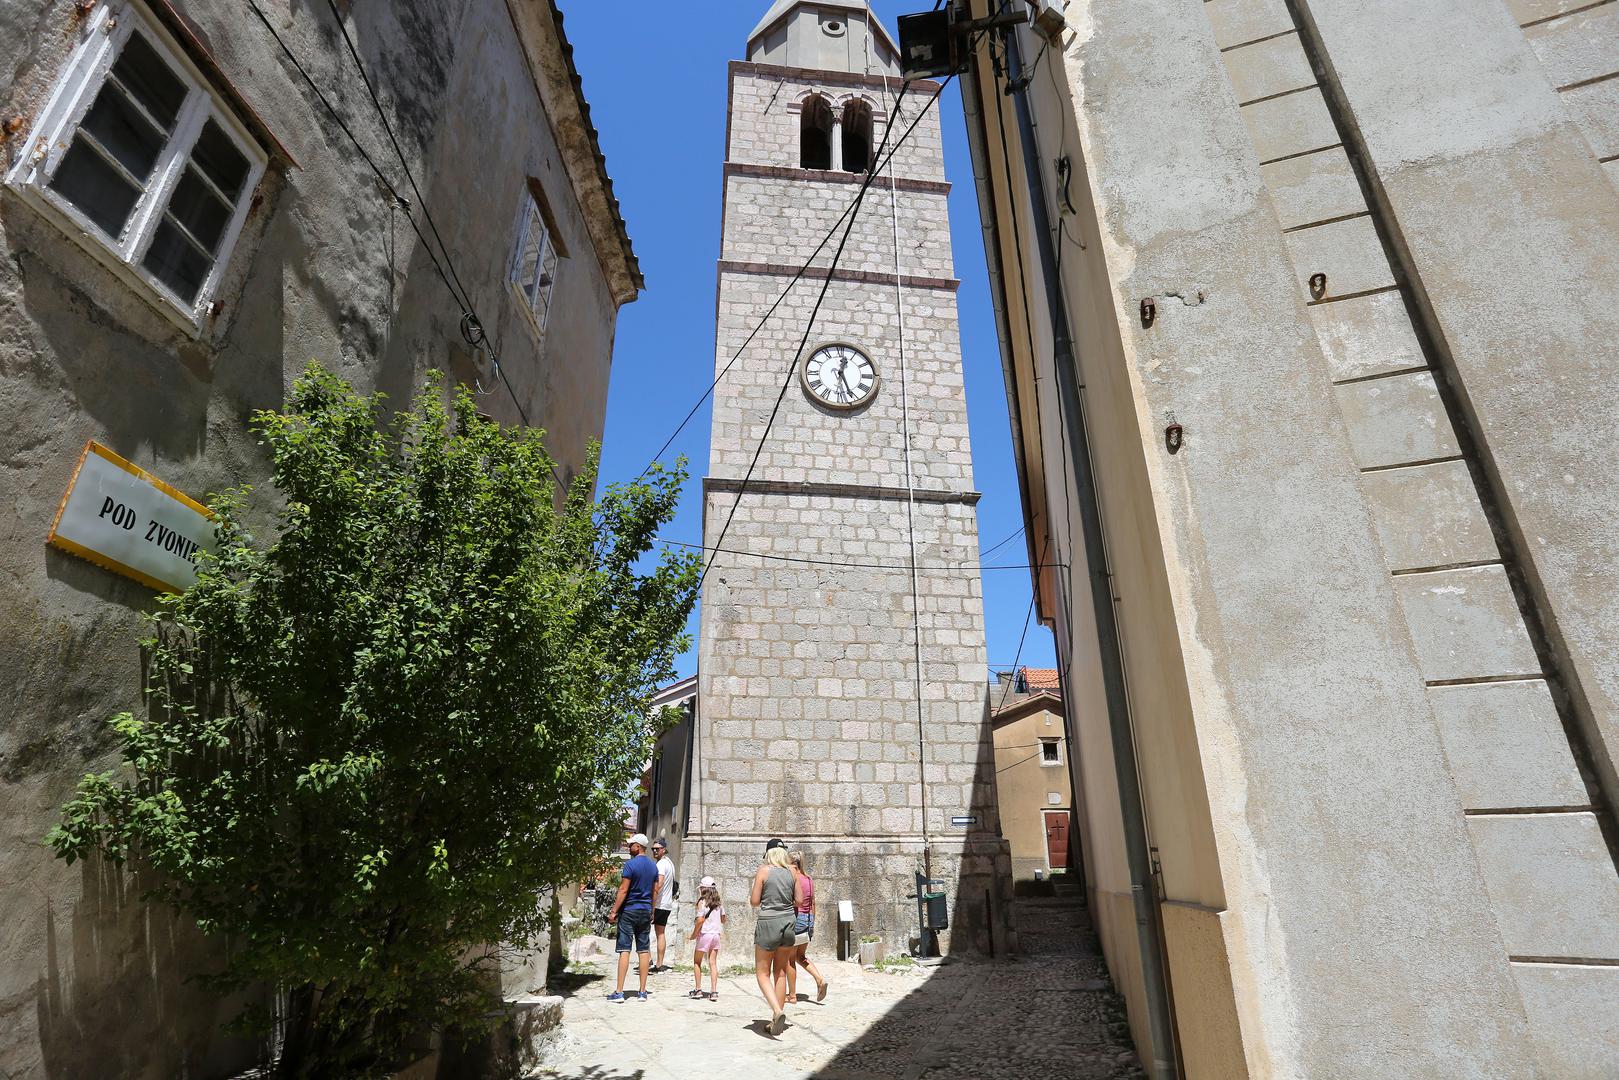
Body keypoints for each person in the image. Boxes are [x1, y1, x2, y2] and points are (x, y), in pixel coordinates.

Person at [750, 838, 803, 1035]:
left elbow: (755, 901)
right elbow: (799, 900)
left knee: (762, 973)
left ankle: (777, 1011)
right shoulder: (793, 871)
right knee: (780, 971)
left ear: (768, 853)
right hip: (789, 921)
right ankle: (776, 1021)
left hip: (768, 922)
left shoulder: (764, 870)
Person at [606, 833, 663, 1002]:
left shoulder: (630, 865)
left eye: (631, 845)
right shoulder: (654, 867)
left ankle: (619, 992)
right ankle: (643, 992)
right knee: (643, 950)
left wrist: (613, 911)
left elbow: (623, 890)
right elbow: (655, 890)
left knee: (625, 949)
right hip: (645, 911)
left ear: (638, 846)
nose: (629, 847)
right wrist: (652, 910)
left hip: (629, 910)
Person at [788, 850, 828, 1003]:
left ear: (792, 863)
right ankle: (819, 979)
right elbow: (813, 903)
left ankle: (792, 996)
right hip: (809, 919)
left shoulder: (794, 879)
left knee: (789, 959)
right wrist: (812, 923)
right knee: (801, 956)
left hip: (797, 919)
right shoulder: (809, 879)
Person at [687, 875, 726, 1001]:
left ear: (704, 889)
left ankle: (698, 989)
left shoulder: (702, 902)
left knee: (697, 961)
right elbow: (723, 920)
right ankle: (714, 991)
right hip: (716, 935)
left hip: (705, 934)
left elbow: (699, 921)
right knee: (713, 962)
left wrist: (693, 935)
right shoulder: (718, 904)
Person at [651, 838, 677, 971]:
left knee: (651, 933)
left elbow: (658, 885)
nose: (655, 851)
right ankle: (659, 963)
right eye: (653, 849)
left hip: (659, 903)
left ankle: (652, 962)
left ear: (664, 849)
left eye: (657, 849)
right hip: (667, 903)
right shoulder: (670, 863)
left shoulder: (660, 865)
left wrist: (652, 904)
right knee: (661, 933)